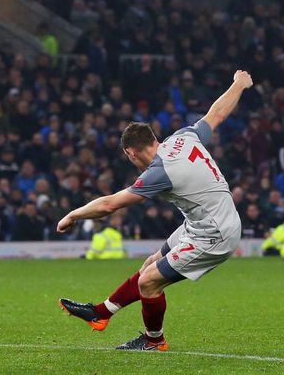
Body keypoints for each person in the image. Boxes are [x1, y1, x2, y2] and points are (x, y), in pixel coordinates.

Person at [57, 70, 253, 351]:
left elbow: (110, 204)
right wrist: (238, 85)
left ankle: (153, 341)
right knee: (150, 265)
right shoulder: (182, 137)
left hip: (215, 234)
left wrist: (72, 215)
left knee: (149, 283)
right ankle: (101, 313)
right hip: (201, 222)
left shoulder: (159, 172)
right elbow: (216, 114)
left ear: (131, 153)